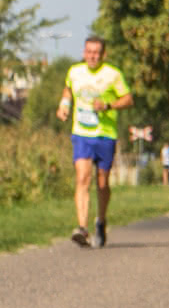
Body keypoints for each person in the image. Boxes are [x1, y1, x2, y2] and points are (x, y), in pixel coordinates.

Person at [56, 36, 133, 248]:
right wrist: (64, 105)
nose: (92, 56)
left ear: (103, 54)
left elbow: (128, 99)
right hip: (81, 133)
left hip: (105, 134)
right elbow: (68, 89)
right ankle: (82, 228)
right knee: (83, 177)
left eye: (97, 52)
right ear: (83, 52)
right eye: (89, 51)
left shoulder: (113, 74)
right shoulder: (74, 72)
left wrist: (108, 106)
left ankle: (101, 220)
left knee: (102, 182)